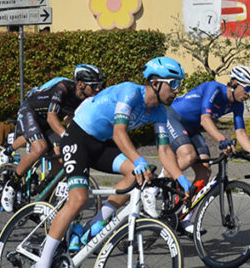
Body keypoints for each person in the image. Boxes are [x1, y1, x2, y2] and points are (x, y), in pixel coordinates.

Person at [35, 57, 193, 268]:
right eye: (173, 83)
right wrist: (139, 160)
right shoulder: (130, 92)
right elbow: (119, 133)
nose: (177, 90)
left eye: (179, 84)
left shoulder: (159, 112)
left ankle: (92, 226)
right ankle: (43, 262)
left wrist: (182, 179)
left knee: (135, 177)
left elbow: (164, 150)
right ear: (155, 83)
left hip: (100, 144)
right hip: (78, 138)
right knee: (78, 199)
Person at [166, 65, 250, 232]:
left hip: (191, 128)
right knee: (188, 156)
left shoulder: (237, 105)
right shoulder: (214, 89)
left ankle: (185, 218)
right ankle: (156, 185)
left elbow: (240, 132)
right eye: (248, 88)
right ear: (235, 83)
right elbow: (205, 119)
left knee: (205, 171)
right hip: (174, 118)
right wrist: (222, 140)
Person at [0, 64, 105, 213]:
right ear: (80, 84)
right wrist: (67, 136)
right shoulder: (62, 88)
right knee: (40, 148)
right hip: (31, 112)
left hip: (46, 122)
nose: (98, 90)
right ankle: (11, 185)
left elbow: (70, 119)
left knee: (61, 158)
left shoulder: (84, 99)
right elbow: (52, 117)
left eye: (100, 86)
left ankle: (44, 193)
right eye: (94, 86)